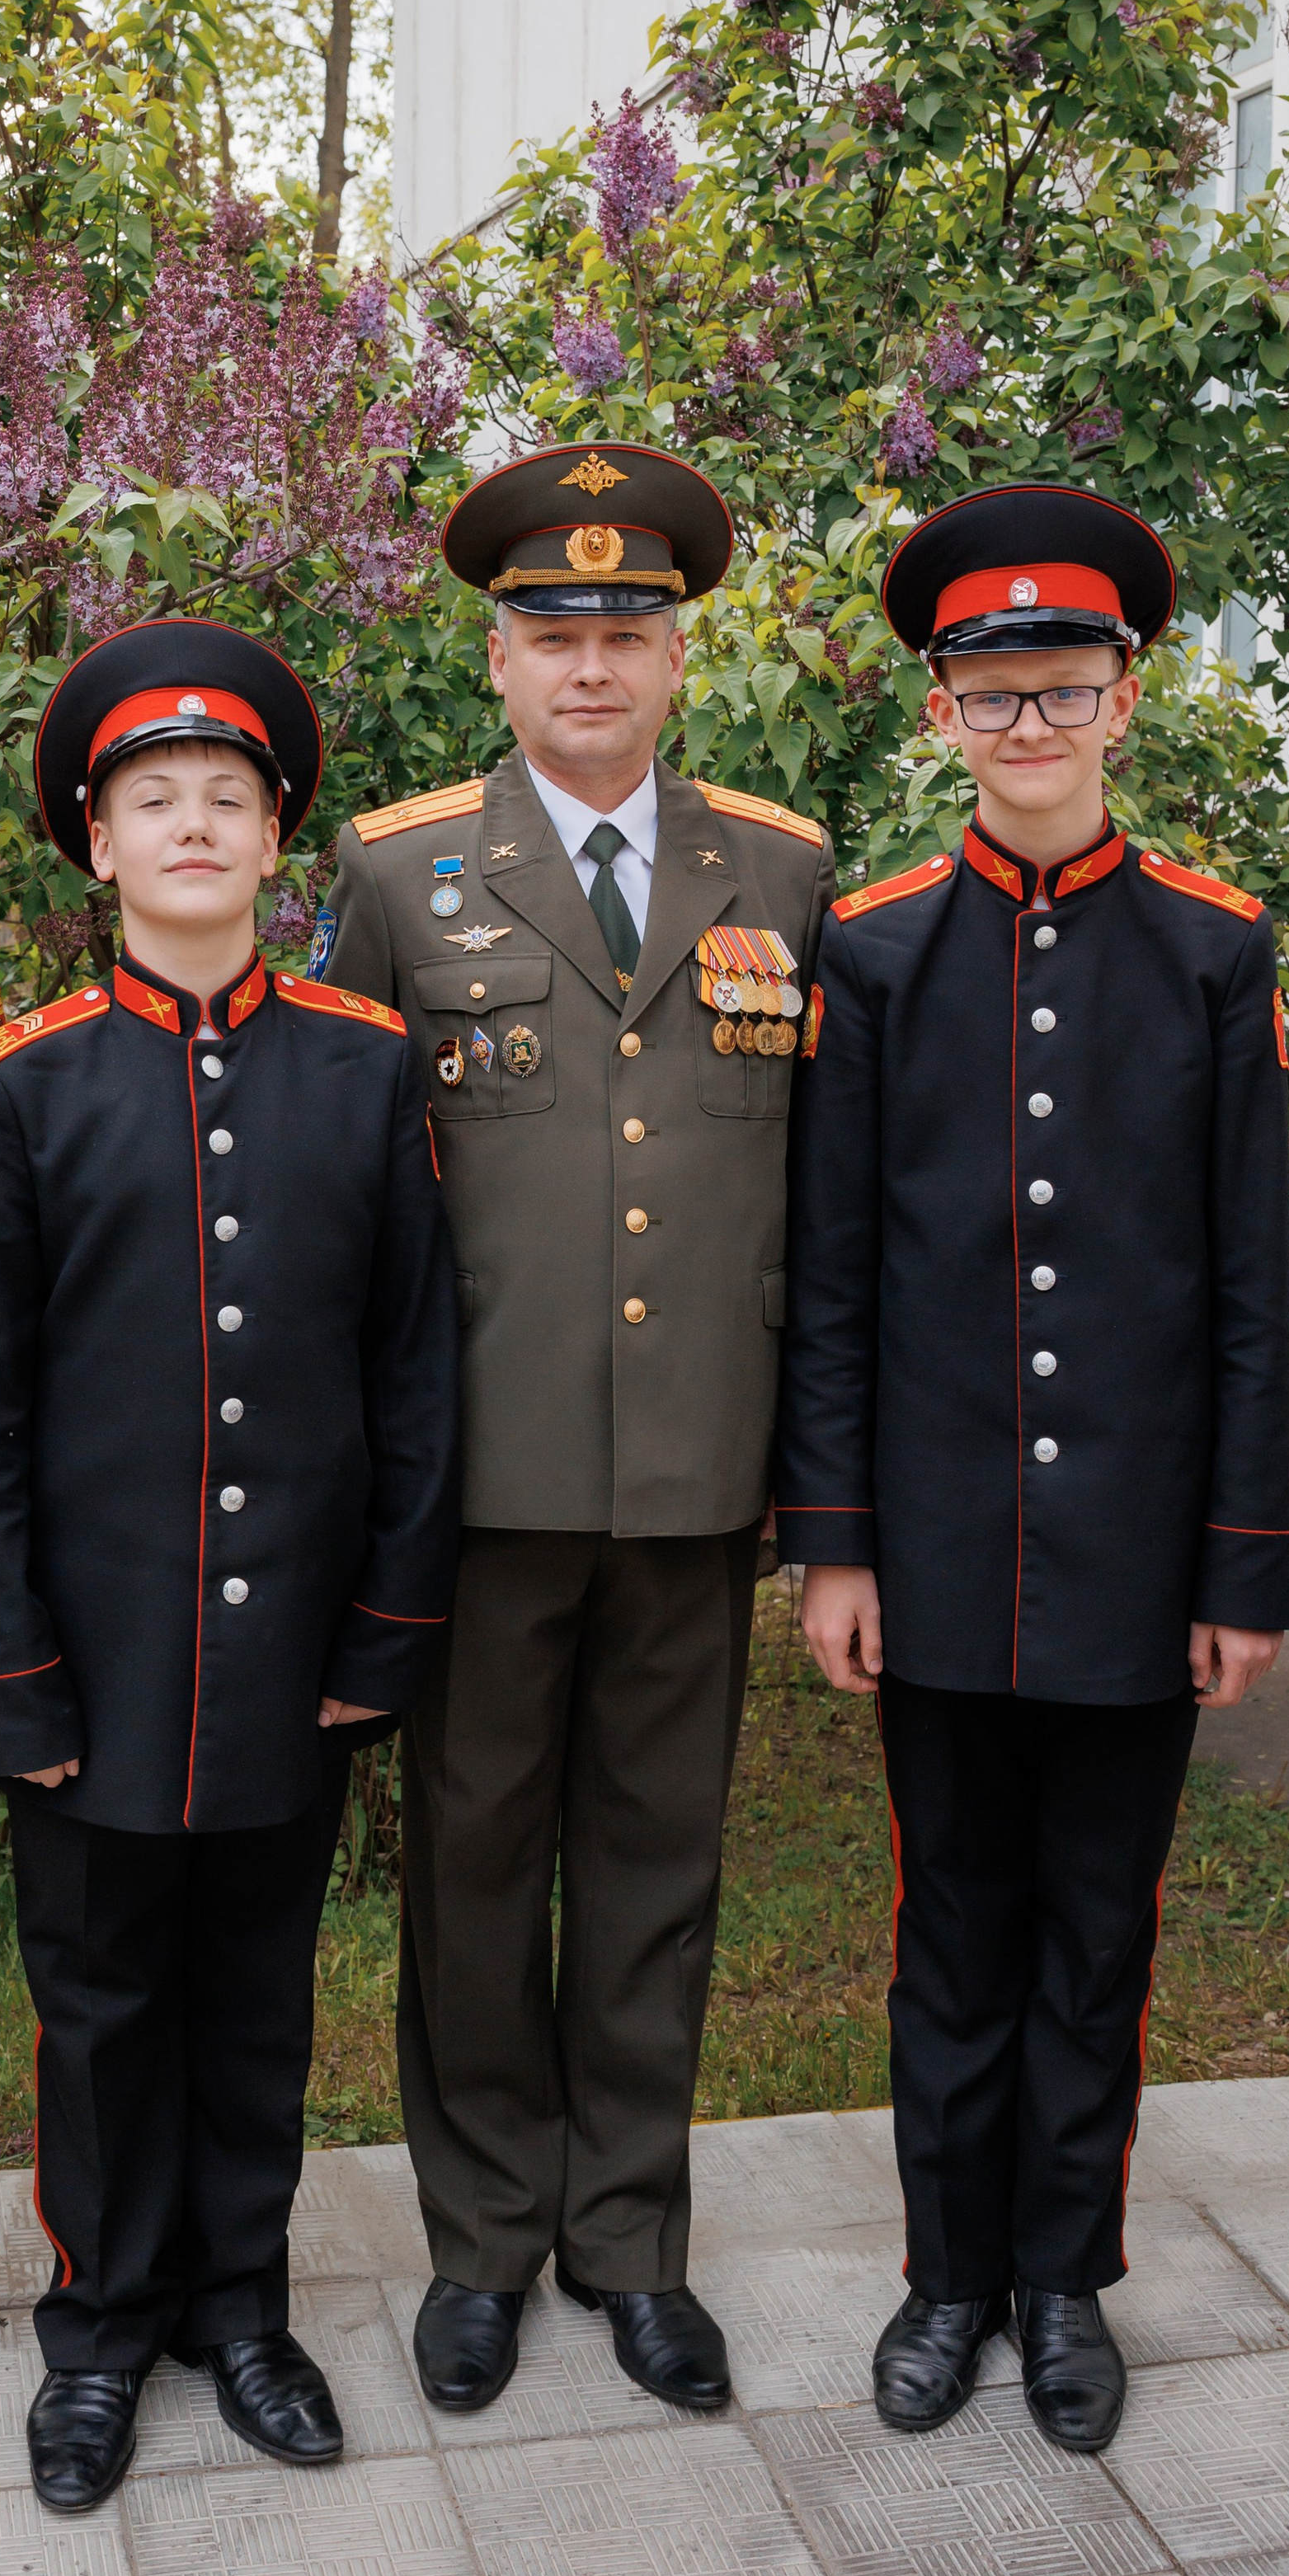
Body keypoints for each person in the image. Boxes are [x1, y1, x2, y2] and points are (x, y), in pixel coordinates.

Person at [775, 482, 1289, 2453]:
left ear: (1121, 700)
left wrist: (1240, 1562)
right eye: (985, 695)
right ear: (937, 715)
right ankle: (943, 2276)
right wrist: (829, 1542)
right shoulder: (876, 951)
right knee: (953, 1928)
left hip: (1134, 1551)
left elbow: (1242, 1284)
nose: (1022, 727)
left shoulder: (1209, 953)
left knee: (1098, 1932)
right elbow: (833, 1275)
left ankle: (1063, 2278)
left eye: (1057, 689)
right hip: (933, 1548)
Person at [318, 442, 835, 2415]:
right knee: (467, 1865)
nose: (591, 663)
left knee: (653, 1864)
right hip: (477, 1485)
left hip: (695, 1472)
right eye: (553, 629)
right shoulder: (394, 872)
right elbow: (339, 1202)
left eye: (626, 629)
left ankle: (626, 2238)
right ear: (497, 654)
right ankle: (478, 2242)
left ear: (677, 654)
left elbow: (805, 1187)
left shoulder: (775, 871)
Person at [0, 618, 460, 2512]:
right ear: (96, 846)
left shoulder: (364, 1065)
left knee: (255, 1991)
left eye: (223, 799)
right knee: (95, 2000)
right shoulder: (24, 1084)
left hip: (293, 1642)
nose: (187, 826)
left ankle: (240, 2302)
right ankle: (97, 2327)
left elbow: (411, 1366)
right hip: (92, 1648)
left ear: (274, 845)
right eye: (149, 799)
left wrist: (386, 1620)